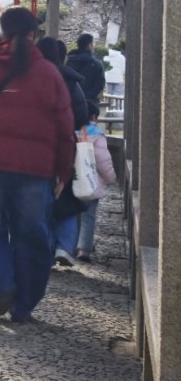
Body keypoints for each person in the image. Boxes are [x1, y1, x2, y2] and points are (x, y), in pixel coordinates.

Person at [0, 6, 75, 322]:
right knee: (32, 236)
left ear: (1, 31)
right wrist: (64, 170)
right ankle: (24, 304)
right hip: (35, 170)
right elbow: (65, 127)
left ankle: (3, 283)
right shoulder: (49, 74)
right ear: (33, 34)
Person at [37, 36, 88, 267]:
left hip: (38, 146)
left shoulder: (32, 77)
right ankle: (65, 246)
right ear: (63, 57)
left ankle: (47, 247)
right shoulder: (71, 82)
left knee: (42, 203)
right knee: (68, 200)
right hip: (67, 146)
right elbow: (81, 115)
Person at [75, 101, 117, 262]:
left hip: (72, 180)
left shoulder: (71, 130)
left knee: (72, 215)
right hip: (91, 183)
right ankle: (83, 249)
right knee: (88, 215)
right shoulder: (97, 134)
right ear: (93, 117)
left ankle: (69, 244)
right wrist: (110, 177)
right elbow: (103, 160)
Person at [66, 33, 106, 105]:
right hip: (90, 103)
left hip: (70, 103)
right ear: (89, 45)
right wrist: (88, 97)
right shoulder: (96, 64)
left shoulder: (68, 61)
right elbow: (100, 85)